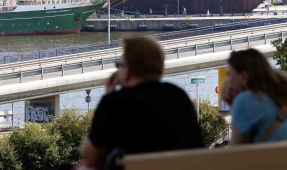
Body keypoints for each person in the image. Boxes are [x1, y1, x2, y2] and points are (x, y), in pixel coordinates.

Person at [75, 37, 204, 169]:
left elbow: (91, 159)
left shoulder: (114, 103)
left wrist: (108, 96)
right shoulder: (178, 96)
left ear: (128, 71)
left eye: (119, 65)